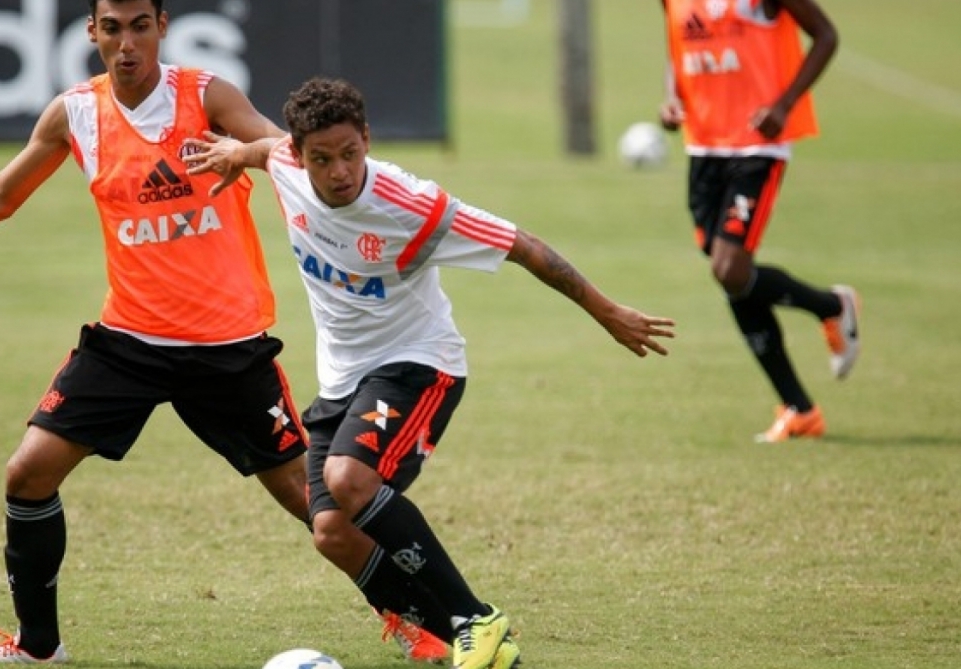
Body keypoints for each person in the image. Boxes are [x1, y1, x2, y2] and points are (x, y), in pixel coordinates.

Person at [0, 1, 446, 664]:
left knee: (314, 502)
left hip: (226, 348)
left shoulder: (207, 97)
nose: (126, 43)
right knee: (28, 473)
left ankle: (418, 617)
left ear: (162, 27)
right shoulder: (74, 113)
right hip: (129, 342)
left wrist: (249, 155)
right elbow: (2, 195)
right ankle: (38, 646)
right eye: (112, 28)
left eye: (140, 26)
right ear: (92, 32)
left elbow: (287, 153)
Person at [184, 77, 677, 669]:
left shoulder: (412, 205)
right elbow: (267, 151)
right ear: (301, 154)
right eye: (322, 159)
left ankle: (476, 619)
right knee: (332, 533)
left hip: (418, 363)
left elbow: (524, 246)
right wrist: (237, 153)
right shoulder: (287, 163)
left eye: (349, 153)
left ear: (367, 140)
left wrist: (607, 312)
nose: (339, 171)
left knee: (348, 479)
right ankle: (478, 645)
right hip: (342, 380)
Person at [657, 0, 861, 442]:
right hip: (703, 147)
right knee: (733, 276)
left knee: (729, 269)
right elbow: (677, 45)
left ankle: (831, 307)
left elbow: (825, 36)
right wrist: (673, 97)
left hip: (756, 146)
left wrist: (784, 105)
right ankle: (800, 408)